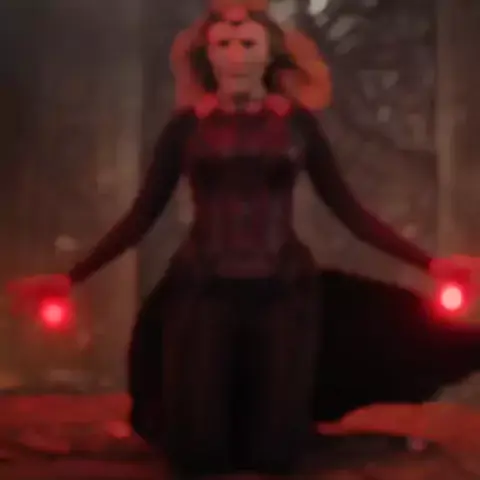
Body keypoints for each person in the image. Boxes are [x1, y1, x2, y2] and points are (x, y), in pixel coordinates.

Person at [6, 3, 476, 477]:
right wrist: (72, 278)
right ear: (208, 56)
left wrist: (431, 265)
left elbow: (350, 211)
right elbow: (141, 215)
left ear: (267, 54)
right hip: (203, 294)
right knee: (198, 456)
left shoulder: (297, 125)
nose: (235, 55)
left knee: (275, 457)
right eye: (224, 45)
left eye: (247, 44)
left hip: (281, 295)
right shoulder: (185, 129)